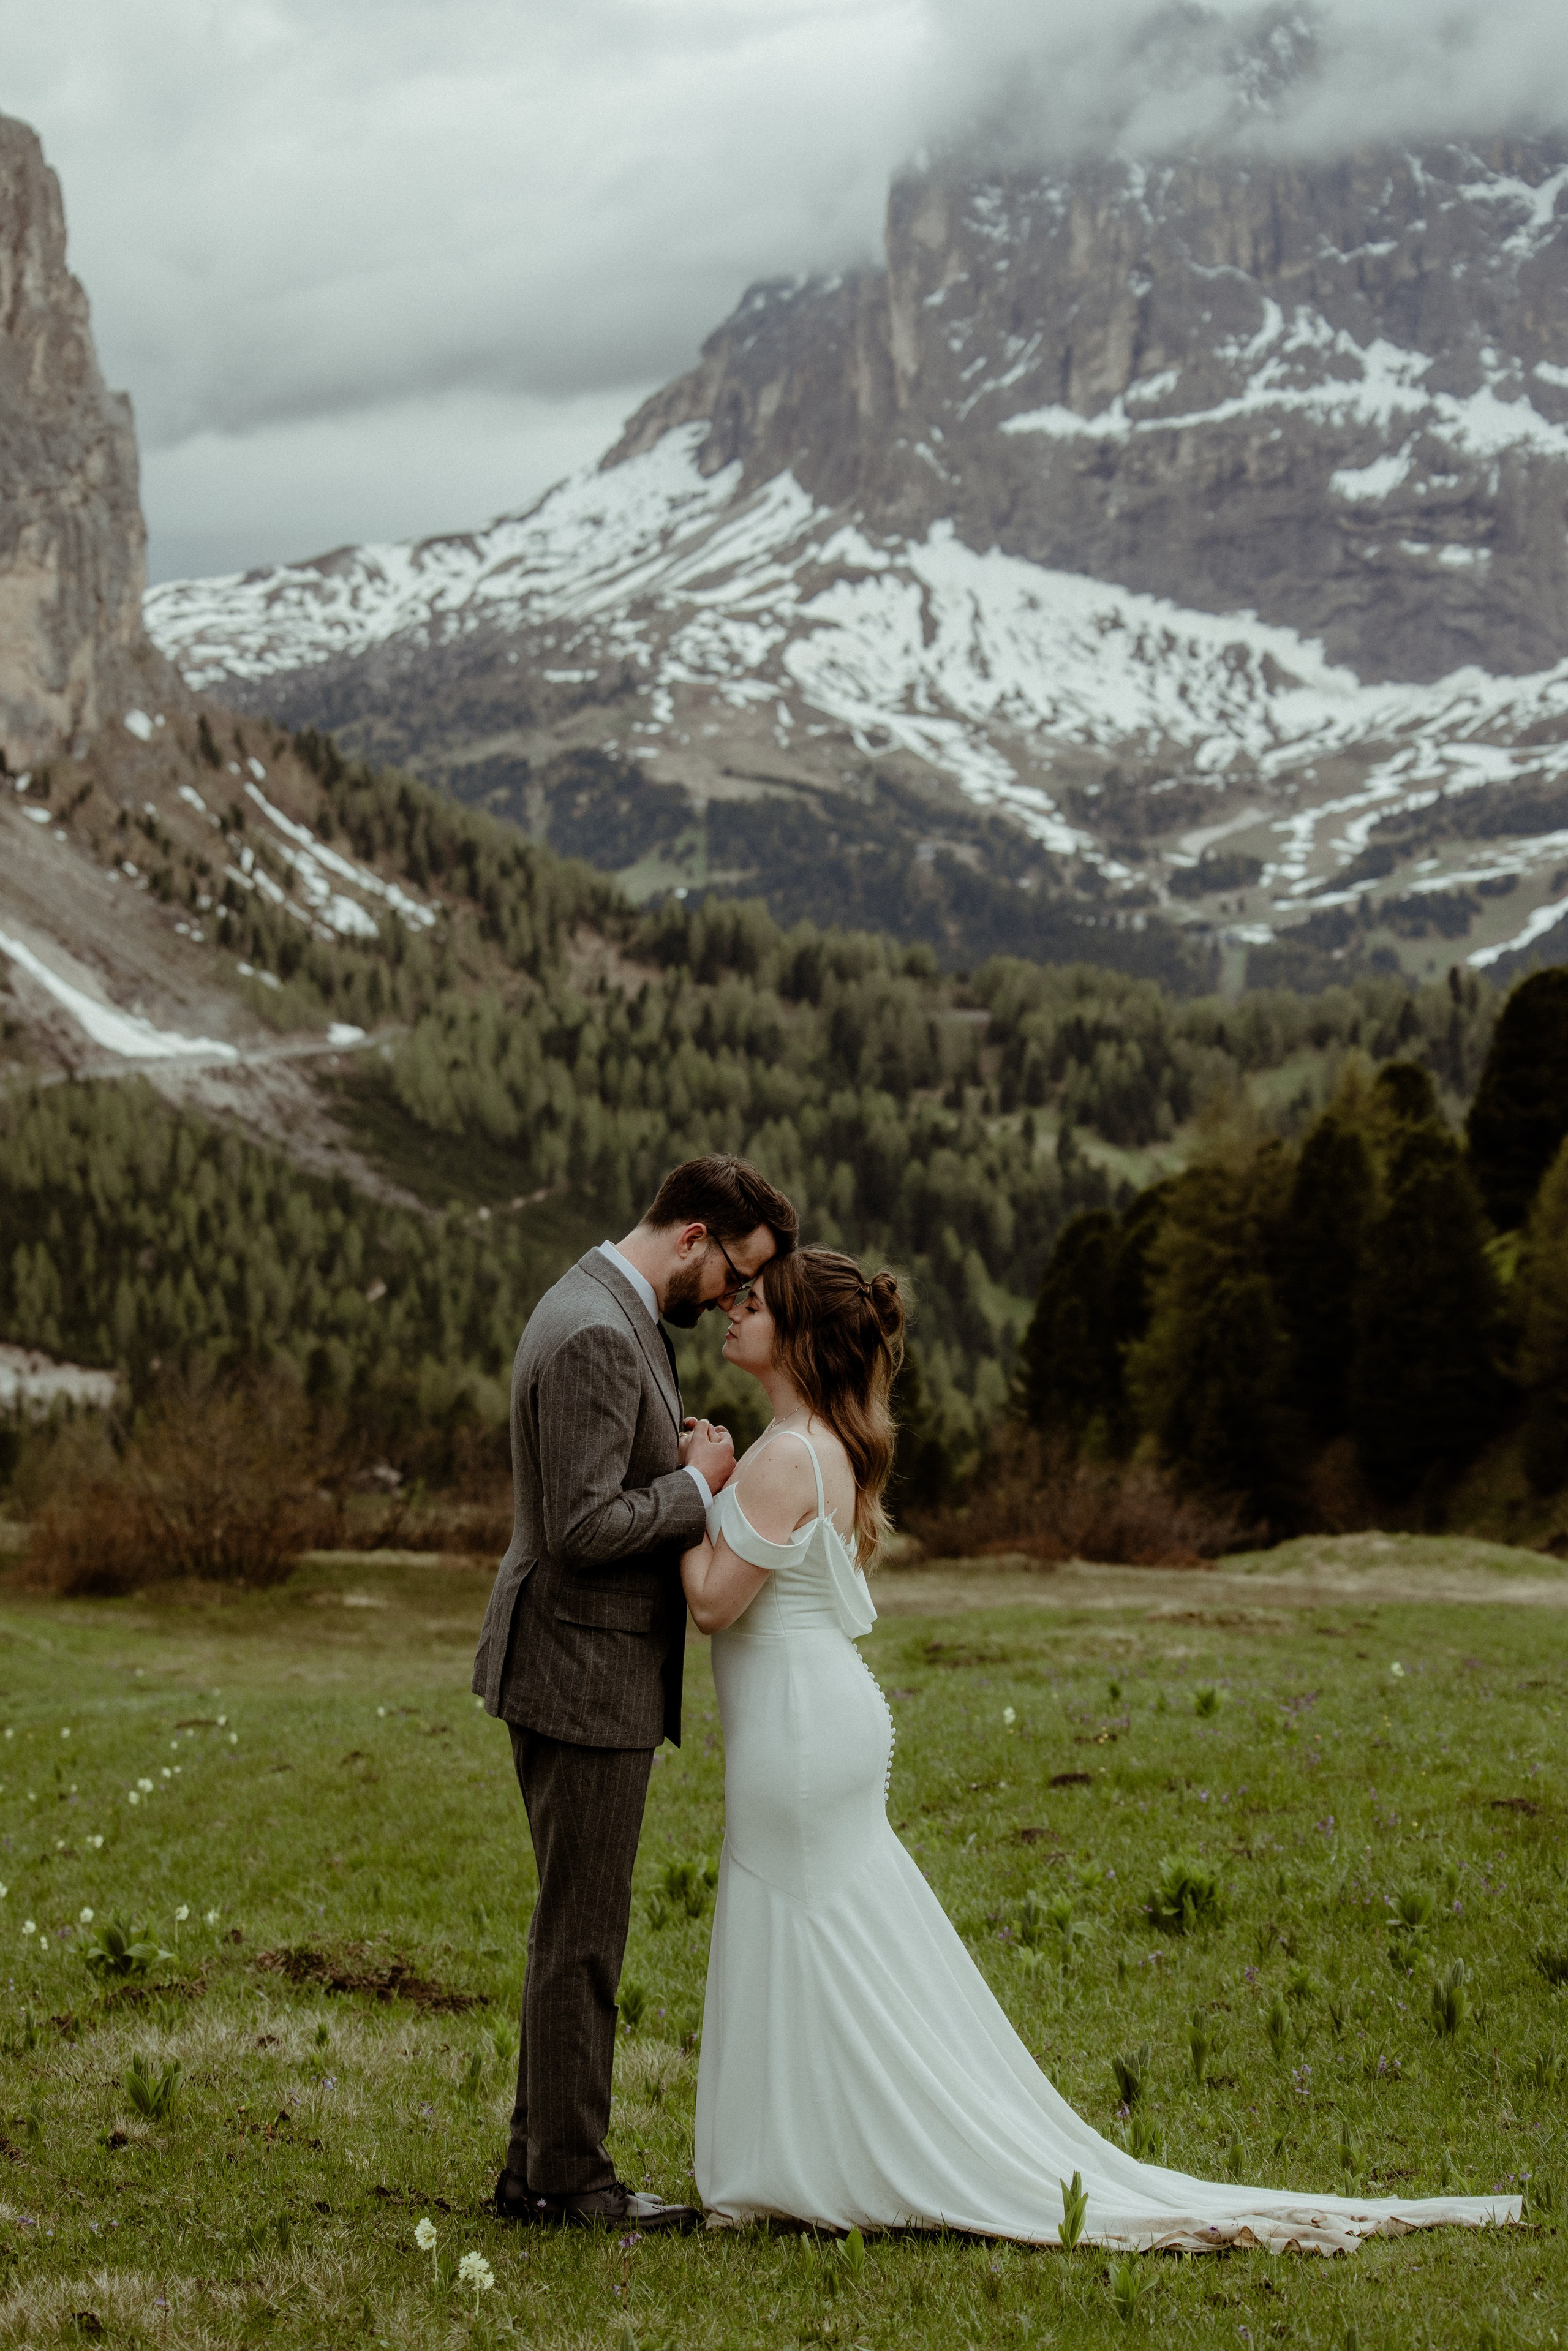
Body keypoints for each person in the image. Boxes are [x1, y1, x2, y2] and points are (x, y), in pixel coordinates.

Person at [679, 1248, 1520, 2254]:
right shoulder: (810, 1442)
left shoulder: (781, 1455)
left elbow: (711, 1600)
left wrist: (693, 1484)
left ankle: (822, 2158)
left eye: (753, 1302)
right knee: (824, 1936)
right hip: (813, 1715)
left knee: (805, 1923)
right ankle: (808, 2153)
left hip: (799, 1726)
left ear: (801, 1335)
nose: (732, 1309)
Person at [473, 1154, 797, 2230]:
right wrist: (697, 1484)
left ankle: (543, 2163)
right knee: (582, 1934)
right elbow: (581, 1528)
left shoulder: (611, 1305)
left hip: (581, 1664)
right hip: (579, 1669)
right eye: (735, 1275)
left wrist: (679, 1459)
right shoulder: (599, 1330)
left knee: (574, 1926)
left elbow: (603, 1481)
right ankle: (566, 2180)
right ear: (696, 1235)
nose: (731, 1304)